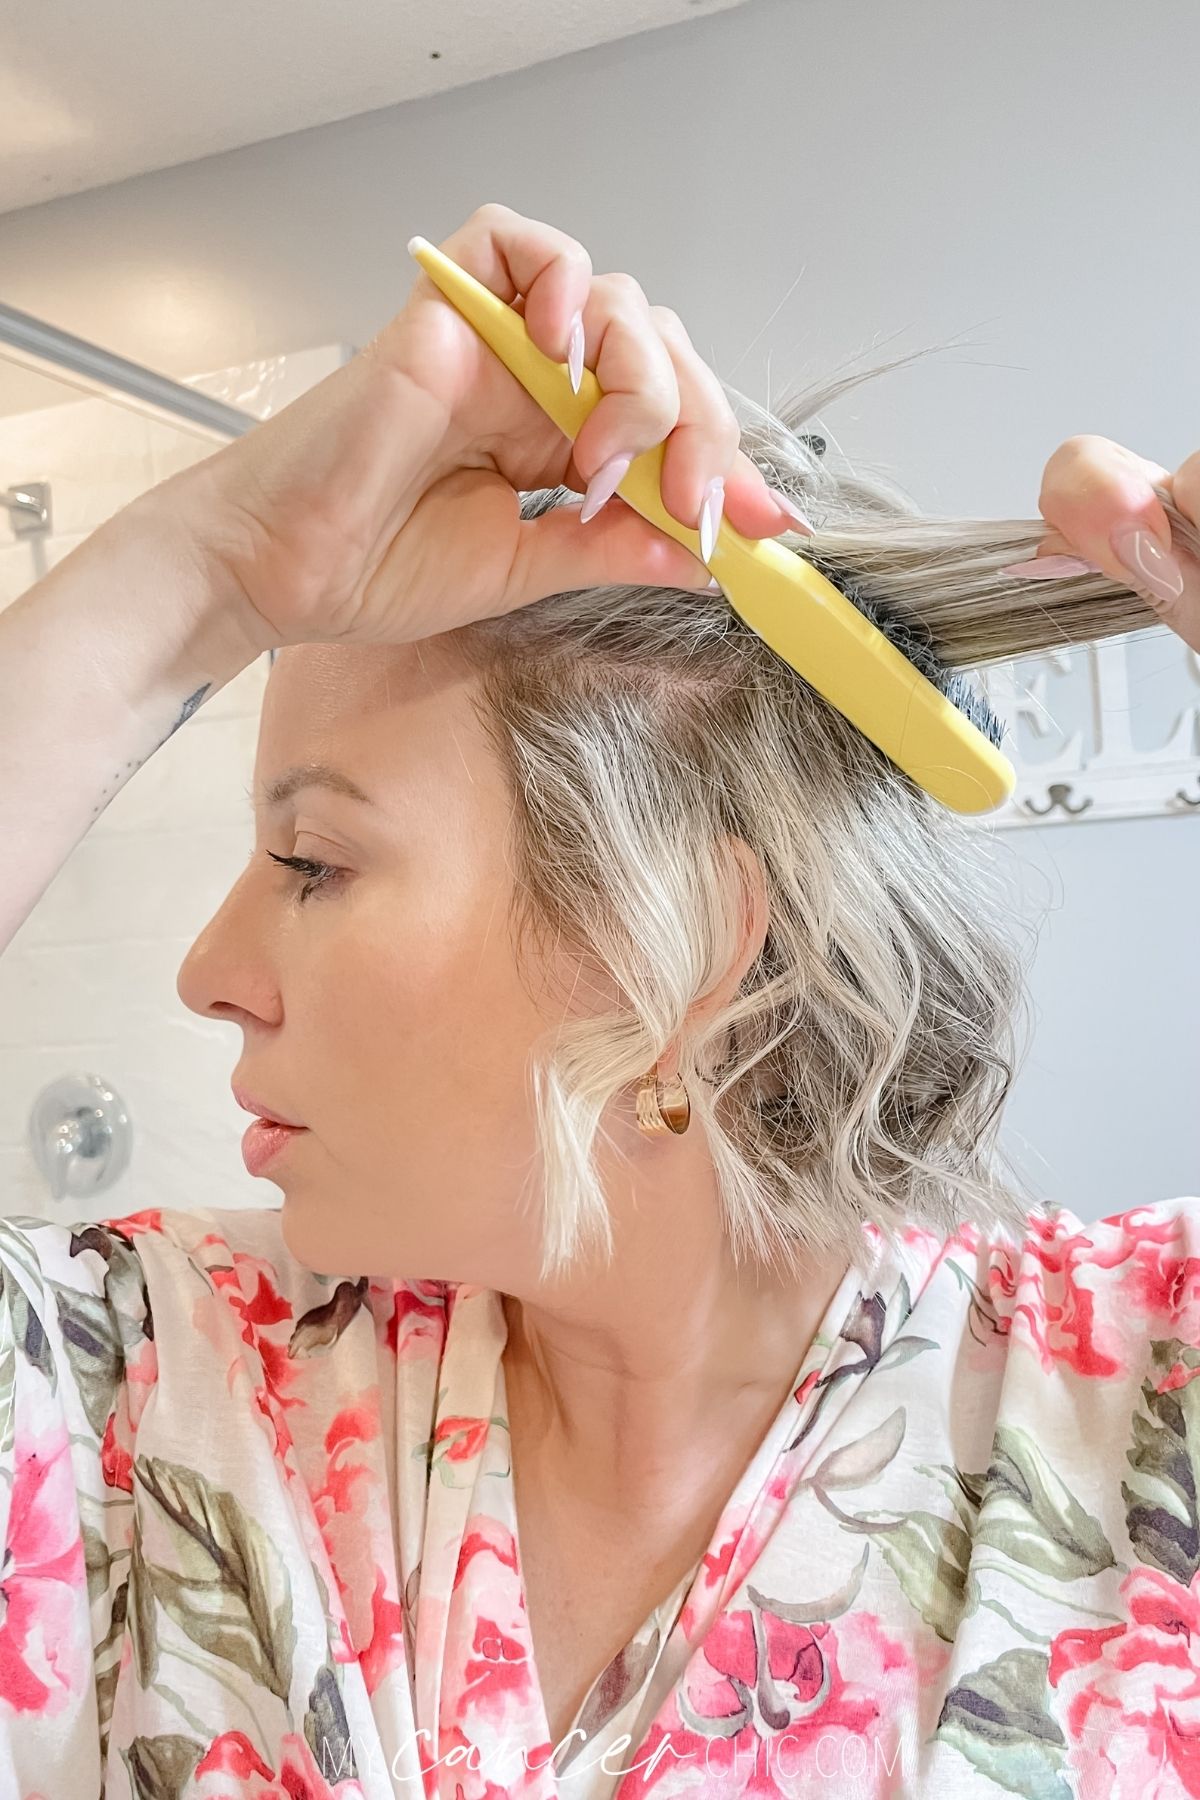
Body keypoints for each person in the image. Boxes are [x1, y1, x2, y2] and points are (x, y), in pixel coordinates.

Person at [0, 202, 1197, 1800]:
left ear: (680, 951)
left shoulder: (1132, 1423)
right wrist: (204, 574)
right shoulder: (158, 1387)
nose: (207, 977)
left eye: (311, 861)